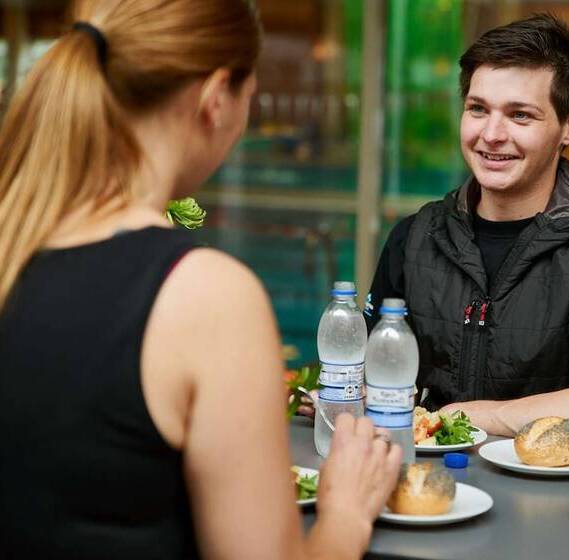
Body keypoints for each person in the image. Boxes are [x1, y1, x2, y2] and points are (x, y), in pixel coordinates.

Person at [0, 2, 400, 559]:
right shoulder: (205, 297)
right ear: (216, 99)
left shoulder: (14, 243)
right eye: (249, 95)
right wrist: (347, 510)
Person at [365, 14, 569, 451]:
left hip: (555, 488)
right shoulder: (415, 238)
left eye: (520, 115)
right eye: (478, 109)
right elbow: (364, 378)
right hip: (425, 480)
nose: (491, 134)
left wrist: (464, 418)